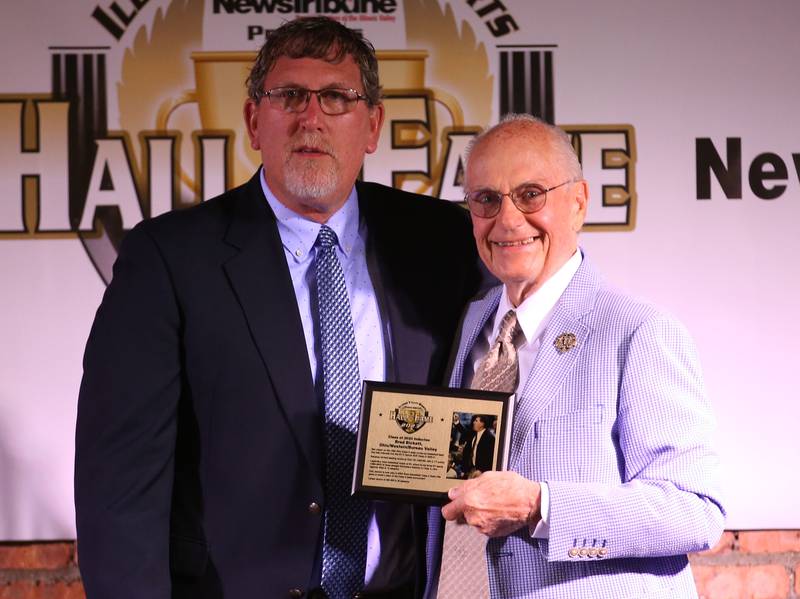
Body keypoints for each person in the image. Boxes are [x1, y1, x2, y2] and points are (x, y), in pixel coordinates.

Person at [75, 17, 486, 599]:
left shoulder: (443, 242)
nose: (311, 118)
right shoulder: (169, 259)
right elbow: (119, 487)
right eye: (289, 95)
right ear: (252, 121)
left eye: (337, 98)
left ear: (372, 126)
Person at [424, 114, 725, 598]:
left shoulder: (639, 331)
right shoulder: (474, 321)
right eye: (486, 200)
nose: (508, 220)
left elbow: (695, 509)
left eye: (530, 195)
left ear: (579, 202)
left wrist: (541, 506)